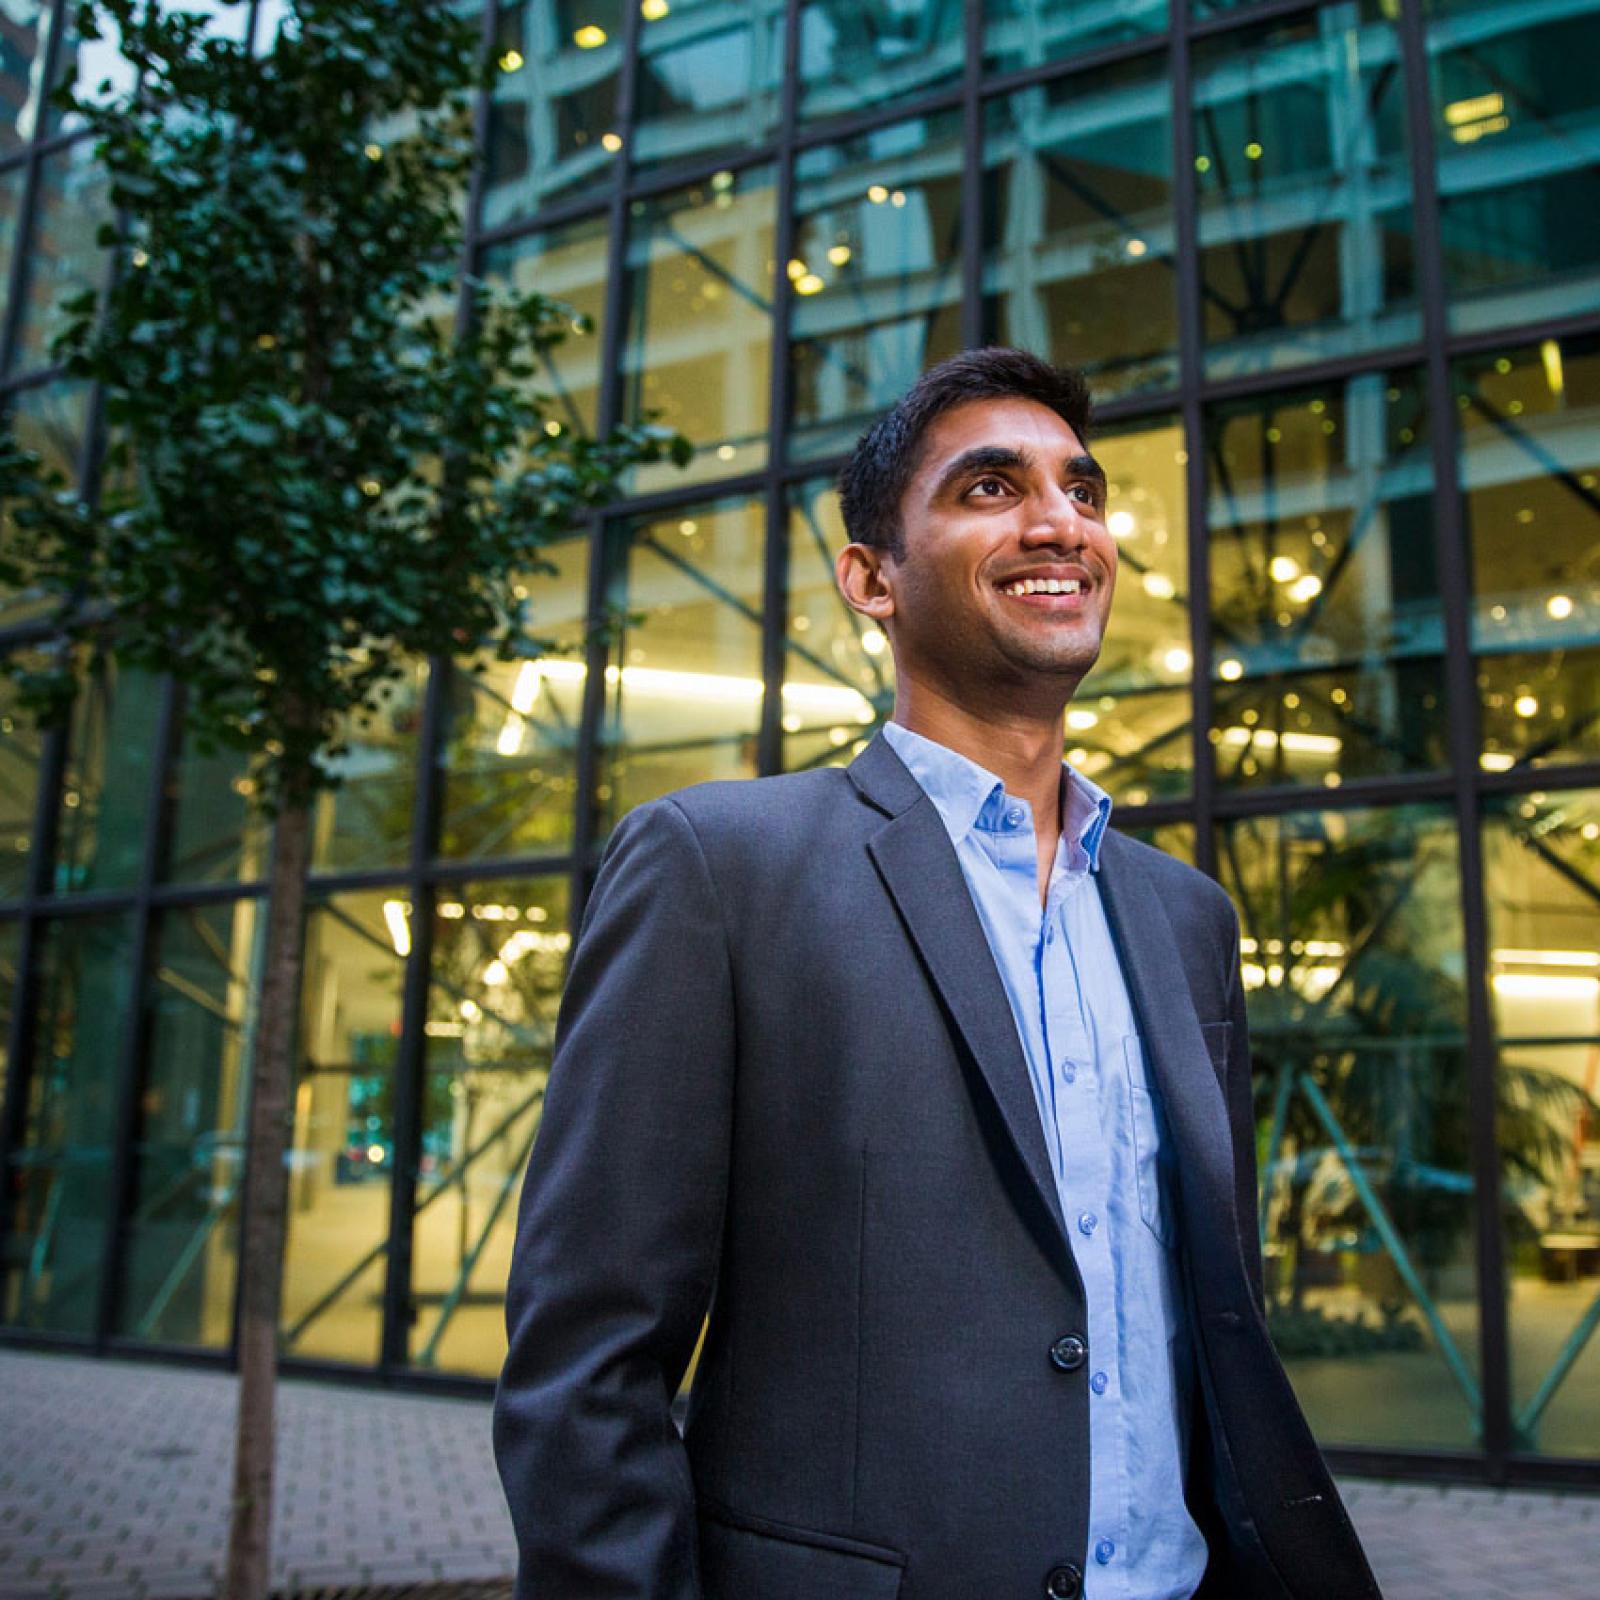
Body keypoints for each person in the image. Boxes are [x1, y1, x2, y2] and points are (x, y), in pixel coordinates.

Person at [493, 348, 1382, 1600]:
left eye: (1083, 490)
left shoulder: (1185, 918)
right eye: (988, 488)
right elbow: (587, 1360)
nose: (1058, 522)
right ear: (871, 578)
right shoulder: (717, 867)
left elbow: (1208, 1323)